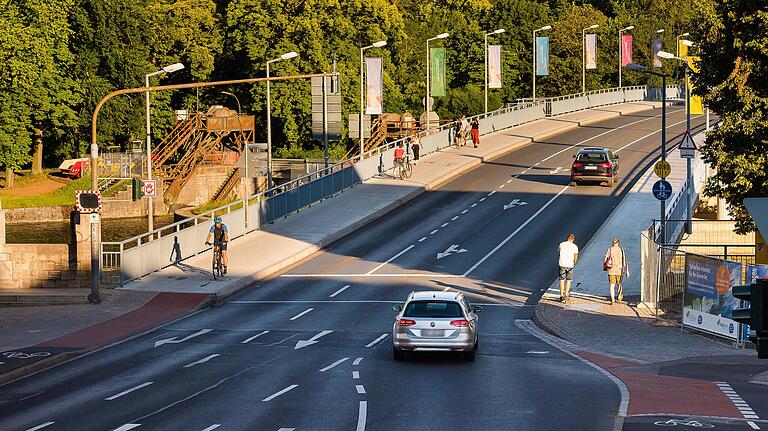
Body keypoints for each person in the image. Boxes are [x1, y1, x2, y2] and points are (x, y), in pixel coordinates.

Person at [604, 237, 629, 304]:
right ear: (618, 242)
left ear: (613, 243)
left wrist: (605, 267)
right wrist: (627, 270)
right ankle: (619, 295)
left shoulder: (609, 249)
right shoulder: (621, 250)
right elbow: (624, 261)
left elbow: (605, 258)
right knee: (619, 284)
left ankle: (612, 299)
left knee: (612, 285)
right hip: (619, 270)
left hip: (611, 269)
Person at [557, 233, 579, 303]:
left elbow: (559, 252)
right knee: (569, 280)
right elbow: (575, 257)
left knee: (561, 280)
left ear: (567, 238)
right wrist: (574, 263)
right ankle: (566, 294)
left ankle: (561, 295)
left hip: (562, 264)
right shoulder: (575, 246)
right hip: (570, 265)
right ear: (573, 239)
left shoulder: (561, 244)